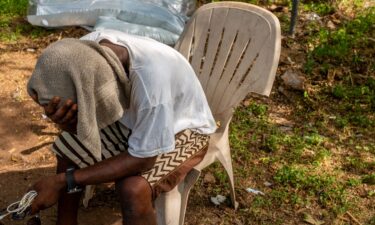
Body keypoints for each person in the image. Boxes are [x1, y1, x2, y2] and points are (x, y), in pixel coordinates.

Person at [27, 29, 216, 225]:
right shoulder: (82, 53)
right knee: (70, 148)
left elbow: (143, 160)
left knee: (133, 189)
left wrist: (64, 181)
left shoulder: (151, 86)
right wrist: (64, 122)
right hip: (132, 121)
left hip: (183, 128)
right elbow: (81, 127)